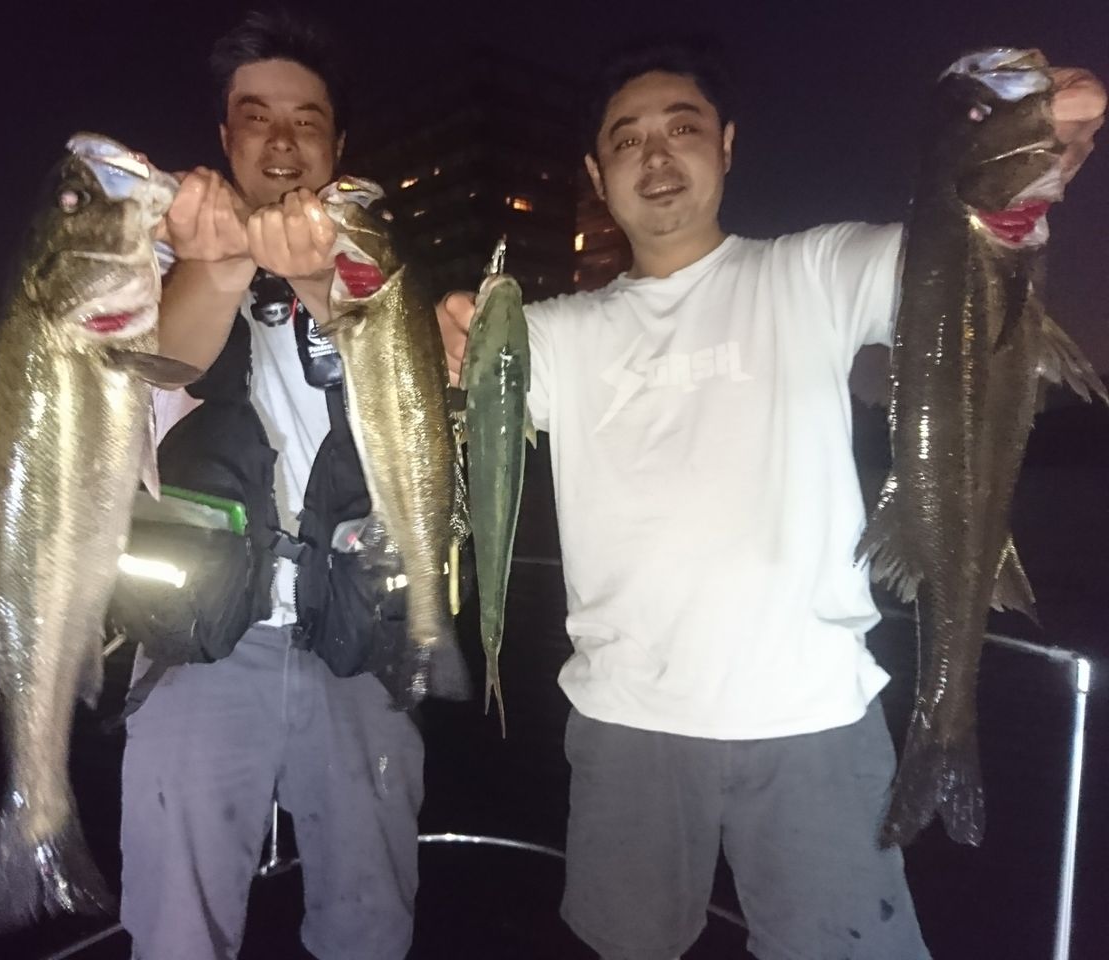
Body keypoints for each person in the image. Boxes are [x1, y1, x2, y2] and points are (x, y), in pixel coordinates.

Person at [432, 42, 1105, 960]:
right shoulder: (552, 333)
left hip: (813, 721)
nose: (655, 156)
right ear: (596, 173)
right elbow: (456, 401)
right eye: (626, 140)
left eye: (682, 128)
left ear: (727, 146)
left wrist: (1029, 177)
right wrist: (445, 340)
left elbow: (965, 260)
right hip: (626, 723)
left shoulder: (814, 269)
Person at [119, 10, 425, 960]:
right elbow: (159, 365)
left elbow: (411, 404)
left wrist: (333, 288)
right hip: (199, 648)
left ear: (338, 143)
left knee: (370, 926)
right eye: (257, 118)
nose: (282, 141)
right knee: (178, 935)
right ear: (225, 136)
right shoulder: (157, 256)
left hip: (357, 641)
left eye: (306, 120)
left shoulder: (381, 266)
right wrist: (218, 264)